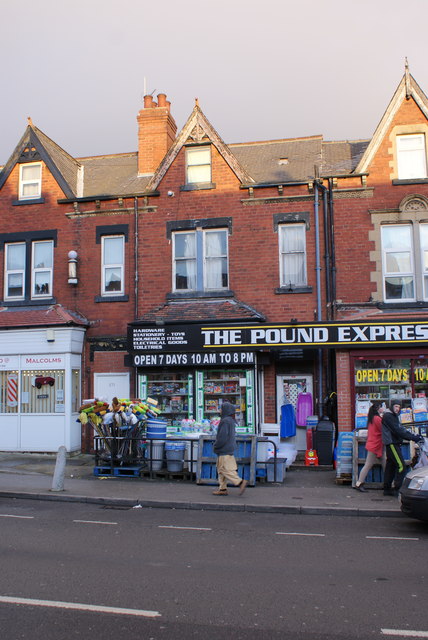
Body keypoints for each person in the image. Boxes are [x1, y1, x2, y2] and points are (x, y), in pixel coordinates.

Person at [381, 400, 424, 496]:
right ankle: (397, 488)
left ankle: (387, 489)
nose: (397, 409)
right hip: (392, 443)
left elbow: (400, 429)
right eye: (396, 406)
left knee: (390, 466)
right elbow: (398, 430)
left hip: (393, 443)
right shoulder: (389, 416)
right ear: (391, 406)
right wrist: (413, 438)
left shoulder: (393, 416)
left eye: (399, 407)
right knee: (401, 466)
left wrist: (412, 435)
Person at [212, 401, 248, 496]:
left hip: (224, 449)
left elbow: (222, 437)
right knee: (221, 469)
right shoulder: (231, 421)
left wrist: (216, 446)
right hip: (229, 448)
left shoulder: (224, 421)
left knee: (224, 469)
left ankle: (240, 482)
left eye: (221, 408)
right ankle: (222, 489)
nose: (220, 410)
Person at [355, 401, 385, 492]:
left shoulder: (371, 418)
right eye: (381, 407)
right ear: (378, 409)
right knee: (370, 465)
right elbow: (383, 428)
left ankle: (359, 483)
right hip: (376, 445)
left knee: (383, 464)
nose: (383, 409)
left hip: (372, 444)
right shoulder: (377, 419)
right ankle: (359, 483)